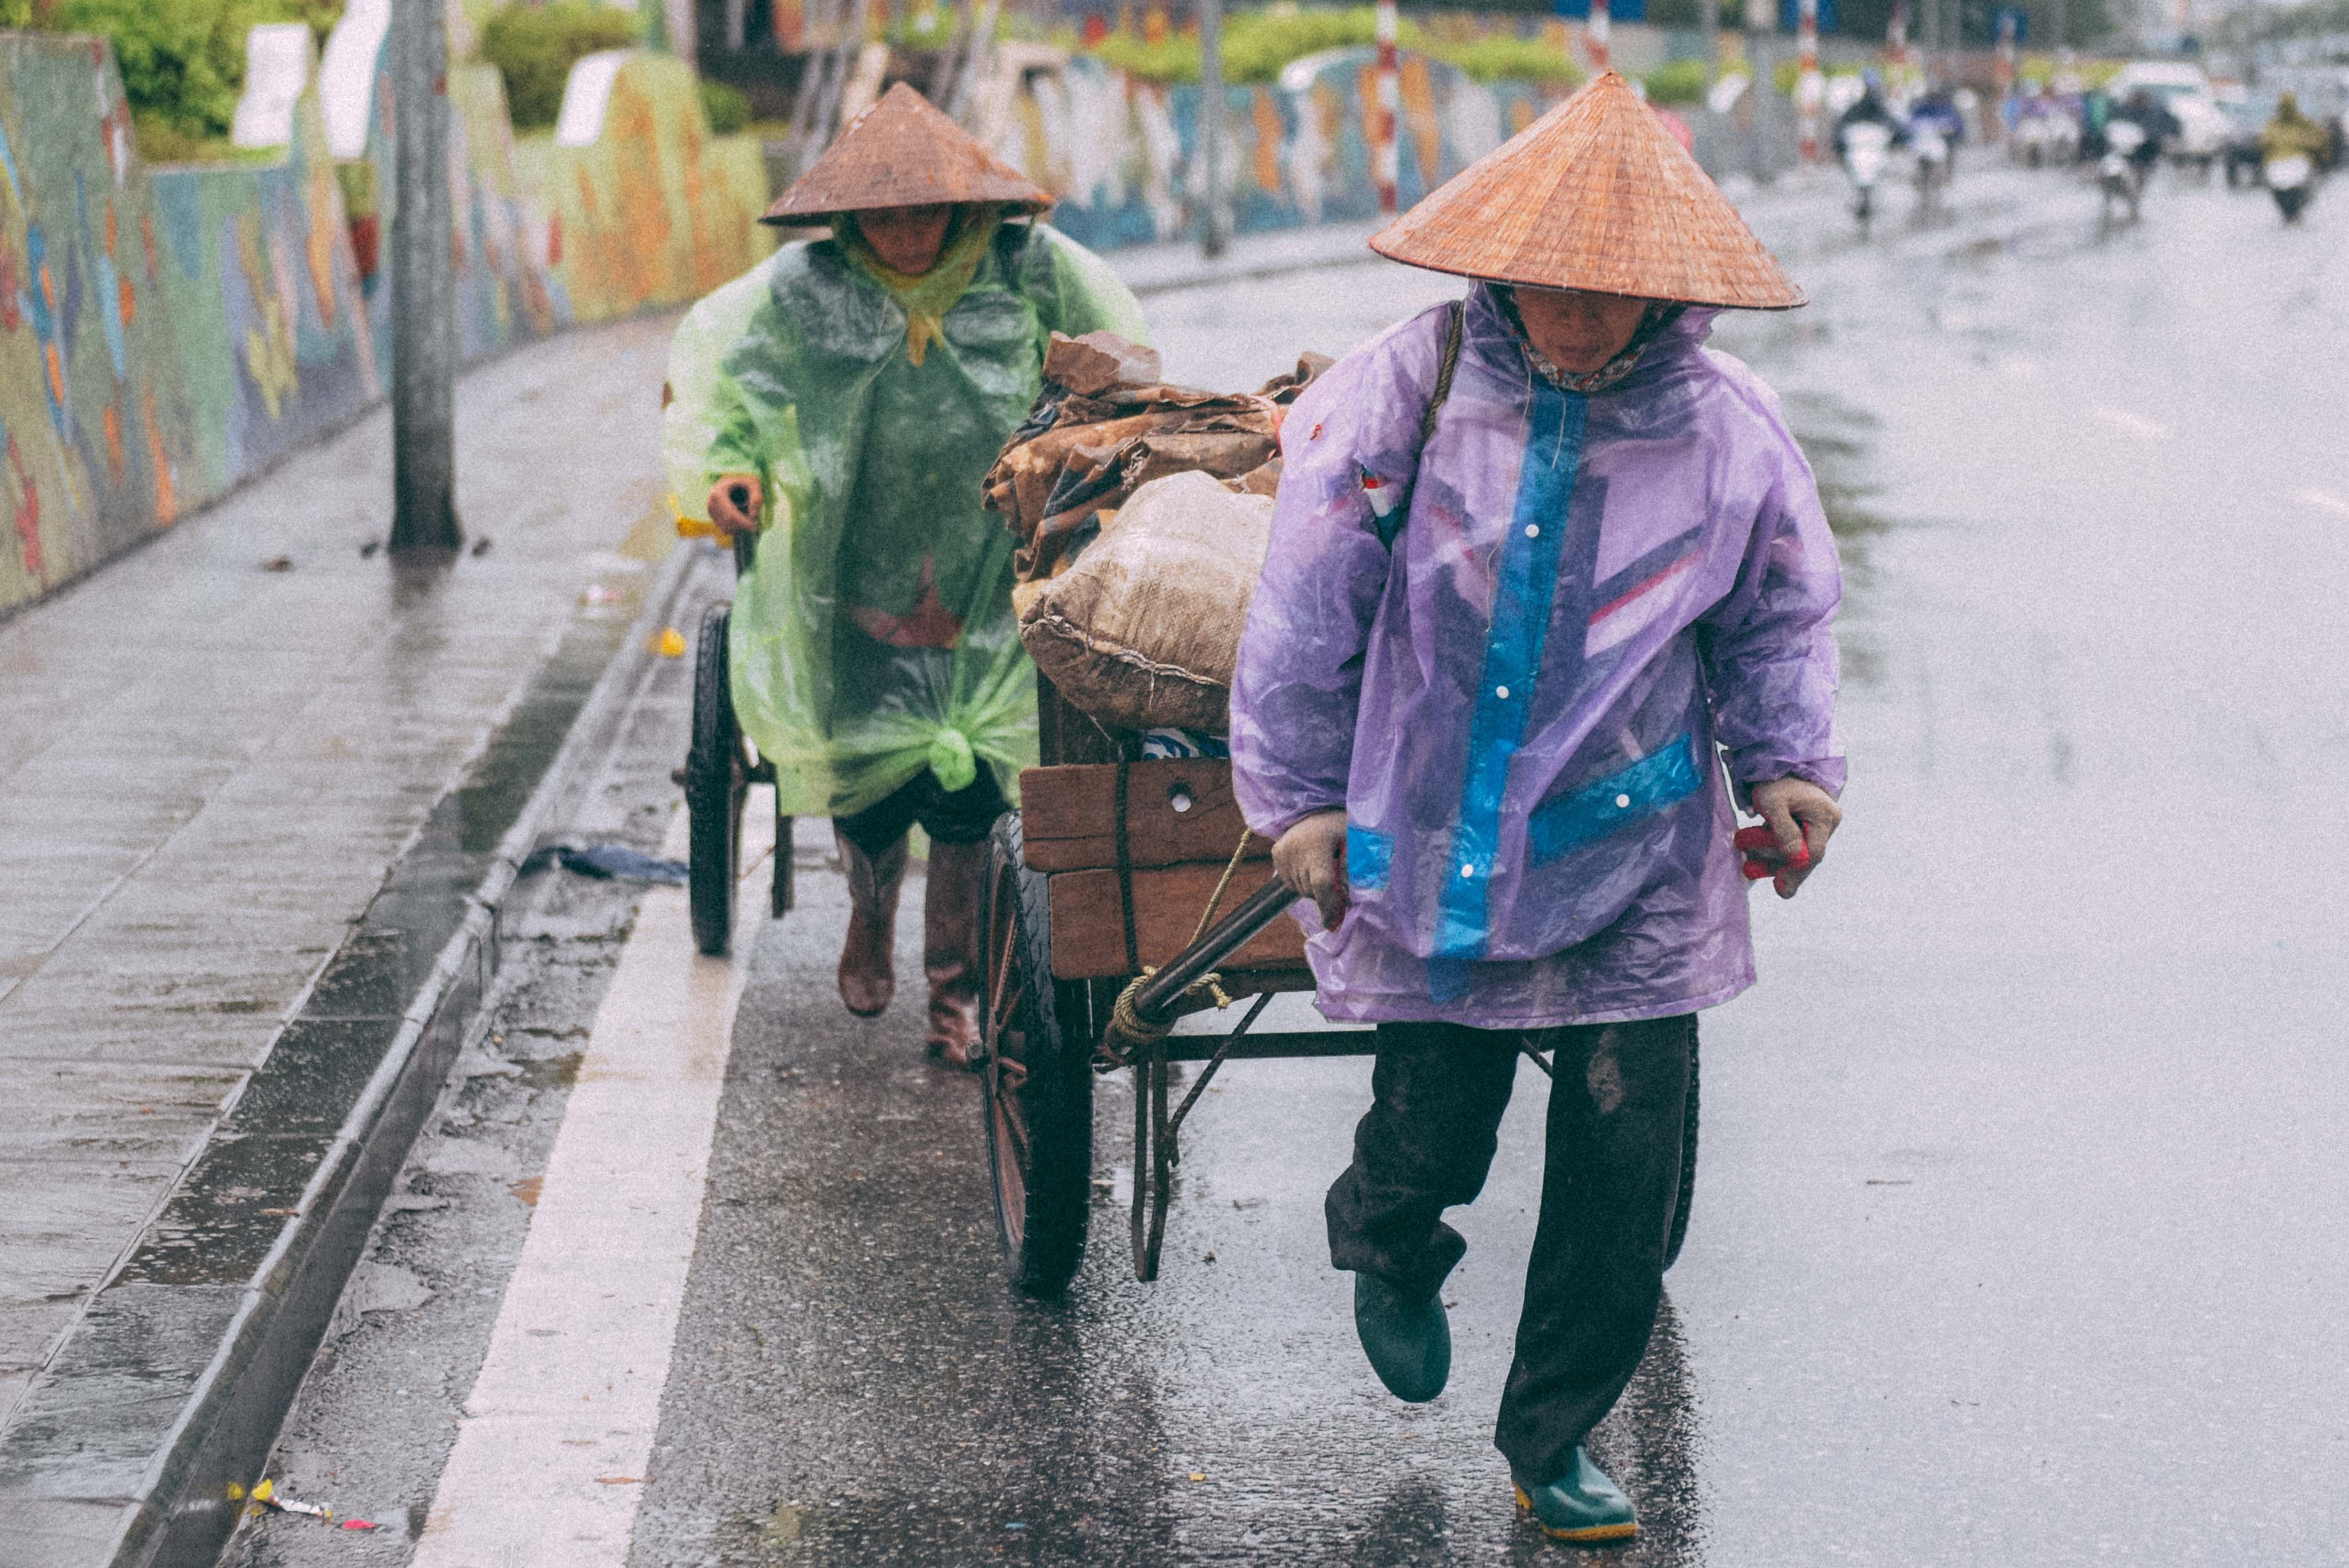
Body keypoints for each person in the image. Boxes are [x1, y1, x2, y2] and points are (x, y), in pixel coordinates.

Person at [1228, 72, 1844, 1545]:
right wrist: (1301, 799)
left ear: (1658, 292)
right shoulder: (1408, 385)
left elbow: (1775, 619)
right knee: (1437, 1121)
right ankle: (1385, 1234)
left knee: (1625, 1166)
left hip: (1636, 848)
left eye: (1609, 288)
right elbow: (1311, 603)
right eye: (1548, 281)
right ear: (1500, 266)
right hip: (1433, 825)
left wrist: (1789, 766)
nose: (1575, 309)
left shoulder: (1729, 431)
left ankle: (1554, 1434)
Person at [663, 85, 1147, 1064]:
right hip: (856, 555)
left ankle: (953, 988)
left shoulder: (1032, 273)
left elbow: (1120, 368)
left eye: (926, 210)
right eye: (884, 214)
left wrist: (1107, 449)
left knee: (972, 781)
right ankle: (871, 907)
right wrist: (727, 473)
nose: (907, 231)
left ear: (967, 207)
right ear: (848, 217)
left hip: (996, 547)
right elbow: (727, 388)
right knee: (864, 764)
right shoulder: (804, 291)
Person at [1832, 70, 1906, 163]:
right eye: (1867, 87)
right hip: (1858, 152)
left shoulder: (1880, 109)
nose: (1869, 91)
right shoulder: (1854, 110)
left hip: (1876, 152)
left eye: (1872, 87)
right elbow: (1840, 131)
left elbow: (1896, 128)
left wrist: (1896, 139)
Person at [2259, 92, 2331, 165]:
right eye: (2284, 107)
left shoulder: (2303, 123)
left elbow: (2263, 142)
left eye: (2287, 107)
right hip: (2278, 163)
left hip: (2295, 161)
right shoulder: (2273, 125)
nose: (2285, 110)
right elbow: (2263, 142)